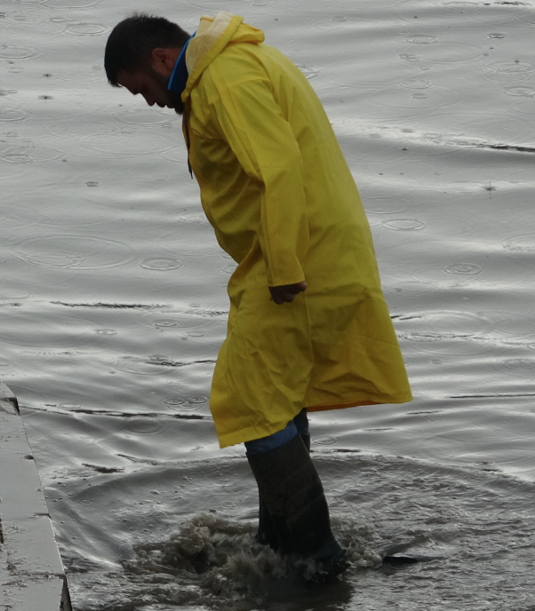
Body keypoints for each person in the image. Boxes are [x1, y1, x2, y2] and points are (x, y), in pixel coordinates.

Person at [104, 12, 412, 580]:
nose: (147, 103)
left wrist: (285, 266)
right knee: (276, 392)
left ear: (160, 59)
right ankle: (280, 540)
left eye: (140, 89)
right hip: (298, 252)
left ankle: (313, 556)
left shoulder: (227, 78)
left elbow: (279, 169)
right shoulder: (234, 68)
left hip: (295, 259)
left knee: (249, 398)